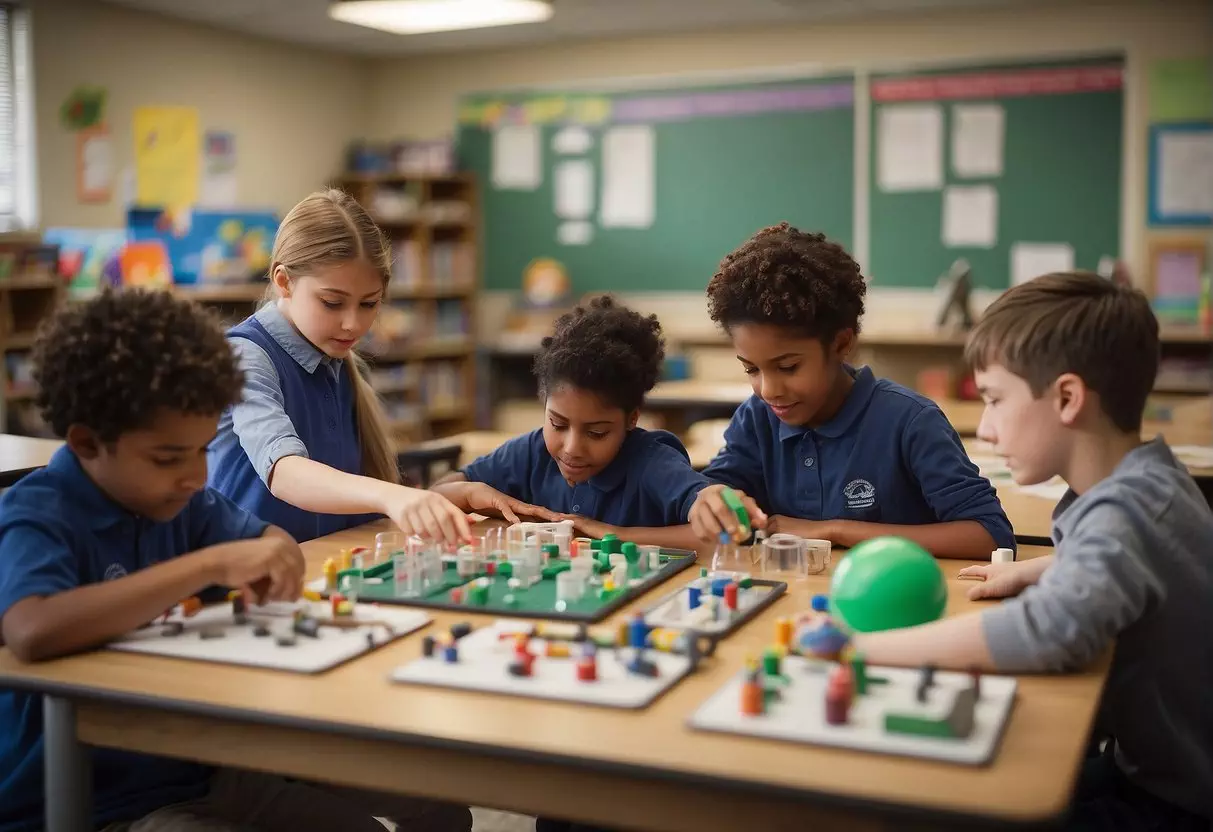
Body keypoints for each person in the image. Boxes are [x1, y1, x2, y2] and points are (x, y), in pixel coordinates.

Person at [0, 289, 471, 832]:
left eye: (203, 450)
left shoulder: (183, 500)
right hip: (91, 800)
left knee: (424, 813)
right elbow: (32, 629)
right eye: (168, 458)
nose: (197, 476)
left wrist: (273, 554)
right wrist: (206, 568)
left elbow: (266, 538)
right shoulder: (38, 513)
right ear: (86, 443)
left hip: (199, 765)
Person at [855, 272, 1213, 829]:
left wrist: (862, 649)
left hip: (1174, 801)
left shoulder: (1123, 511)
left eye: (995, 401)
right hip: (1154, 768)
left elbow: (1048, 633)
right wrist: (1048, 567)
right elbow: (1145, 560)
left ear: (1068, 397)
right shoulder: (1152, 479)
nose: (988, 432)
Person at [688, 223, 1013, 558]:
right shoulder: (757, 419)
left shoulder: (910, 422)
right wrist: (710, 497)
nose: (768, 390)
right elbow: (718, 485)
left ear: (842, 344)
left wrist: (835, 530)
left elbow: (990, 535)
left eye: (788, 367)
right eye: (751, 369)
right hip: (797, 604)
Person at [207, 189, 488, 544]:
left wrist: (439, 498)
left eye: (369, 304)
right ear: (284, 281)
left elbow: (352, 500)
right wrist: (393, 496)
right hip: (243, 580)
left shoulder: (344, 363)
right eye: (332, 303)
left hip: (318, 569)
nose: (353, 324)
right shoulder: (246, 357)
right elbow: (284, 471)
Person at [435, 296, 716, 550]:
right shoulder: (530, 453)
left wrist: (611, 533)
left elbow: (712, 533)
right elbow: (435, 496)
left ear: (632, 418)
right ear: (543, 402)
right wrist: (471, 493)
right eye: (557, 424)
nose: (572, 448)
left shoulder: (652, 462)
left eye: (596, 432)